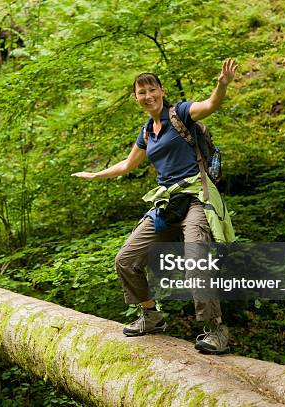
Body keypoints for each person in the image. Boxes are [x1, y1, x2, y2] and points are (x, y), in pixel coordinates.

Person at [72, 59, 238, 354]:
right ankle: (151, 316)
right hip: (166, 202)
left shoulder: (181, 114)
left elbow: (211, 105)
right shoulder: (148, 131)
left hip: (195, 197)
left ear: (161, 91)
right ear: (136, 98)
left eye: (152, 89)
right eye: (141, 92)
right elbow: (128, 164)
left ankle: (215, 330)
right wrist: (96, 174)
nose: (147, 95)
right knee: (126, 259)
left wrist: (221, 85)